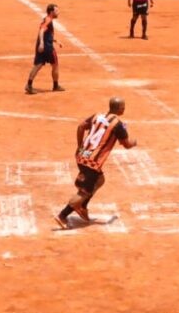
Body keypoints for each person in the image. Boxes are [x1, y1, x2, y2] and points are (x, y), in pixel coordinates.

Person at [54, 97, 138, 230]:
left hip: (82, 155)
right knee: (84, 192)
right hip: (92, 161)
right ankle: (62, 215)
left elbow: (81, 126)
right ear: (121, 109)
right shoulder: (118, 125)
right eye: (124, 107)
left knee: (100, 179)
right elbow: (126, 145)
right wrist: (134, 143)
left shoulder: (97, 116)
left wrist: (80, 145)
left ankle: (82, 206)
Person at [25, 3, 63, 94]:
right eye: (56, 11)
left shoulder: (47, 19)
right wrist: (42, 43)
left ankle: (29, 85)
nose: (58, 12)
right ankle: (55, 85)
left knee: (38, 65)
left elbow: (46, 33)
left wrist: (54, 40)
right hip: (47, 47)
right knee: (55, 64)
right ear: (51, 12)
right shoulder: (48, 20)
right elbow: (42, 30)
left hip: (43, 45)